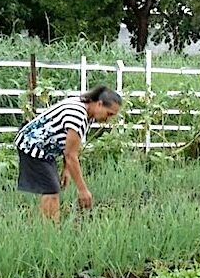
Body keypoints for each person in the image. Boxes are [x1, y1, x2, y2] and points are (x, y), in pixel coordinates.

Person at [14, 85, 122, 221]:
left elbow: (69, 145)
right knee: (51, 190)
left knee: (52, 188)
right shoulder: (77, 116)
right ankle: (49, 232)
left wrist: (66, 170)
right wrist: (83, 190)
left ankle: (47, 229)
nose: (108, 119)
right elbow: (71, 155)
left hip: (45, 149)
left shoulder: (86, 109)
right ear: (99, 104)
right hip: (31, 145)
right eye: (109, 114)